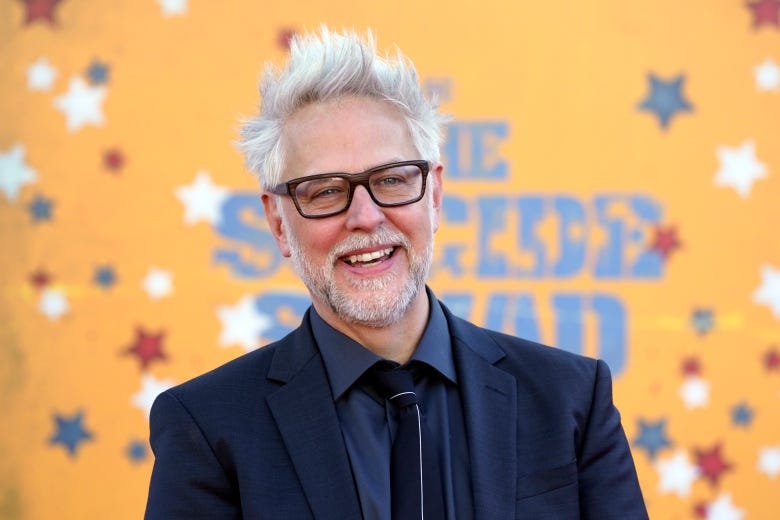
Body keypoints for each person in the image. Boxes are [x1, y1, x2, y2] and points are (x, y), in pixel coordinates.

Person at [144, 27, 648, 519]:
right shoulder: (206, 427)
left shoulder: (571, 399)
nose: (365, 216)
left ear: (435, 195)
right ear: (278, 222)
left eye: (391, 180)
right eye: (324, 191)